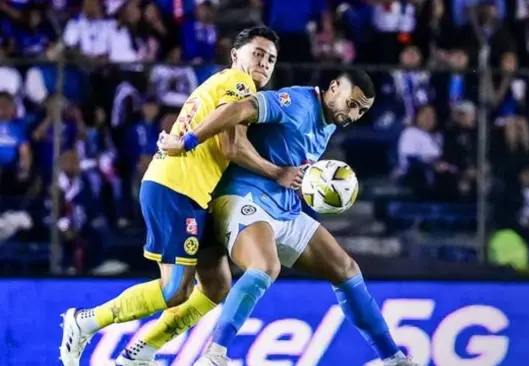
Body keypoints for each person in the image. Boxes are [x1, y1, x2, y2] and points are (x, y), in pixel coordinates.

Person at [59, 26, 303, 366]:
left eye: (271, 59)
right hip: (176, 188)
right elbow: (231, 146)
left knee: (217, 285)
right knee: (175, 290)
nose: (263, 63)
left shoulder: (223, 84)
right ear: (236, 56)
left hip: (190, 192)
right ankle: (86, 321)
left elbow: (229, 143)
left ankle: (139, 352)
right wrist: (277, 172)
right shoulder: (239, 83)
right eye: (257, 54)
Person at [159, 72, 418, 366]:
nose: (354, 114)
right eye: (352, 104)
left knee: (346, 269)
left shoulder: (329, 120)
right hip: (244, 198)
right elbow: (237, 109)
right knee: (265, 266)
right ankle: (214, 355)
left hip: (285, 210)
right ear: (333, 87)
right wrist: (189, 140)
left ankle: (393, 359)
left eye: (362, 110)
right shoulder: (296, 101)